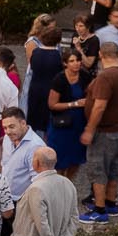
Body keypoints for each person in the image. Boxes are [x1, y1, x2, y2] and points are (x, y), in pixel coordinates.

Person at [79, 41, 118, 222]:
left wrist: (89, 130)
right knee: (113, 167)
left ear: (100, 55)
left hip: (104, 132)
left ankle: (99, 210)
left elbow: (99, 107)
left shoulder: (105, 78)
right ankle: (111, 203)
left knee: (98, 168)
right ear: (117, 55)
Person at [0, 107, 45, 236]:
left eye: (12, 127)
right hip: (5, 199)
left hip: (22, 203)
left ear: (24, 123)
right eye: (5, 128)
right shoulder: (8, 140)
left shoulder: (35, 147)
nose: (8, 132)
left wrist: (28, 207)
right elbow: (4, 166)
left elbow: (37, 180)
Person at [43, 49, 90, 177]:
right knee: (58, 160)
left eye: (78, 60)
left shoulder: (85, 76)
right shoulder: (59, 79)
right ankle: (58, 186)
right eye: (72, 61)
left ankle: (68, 184)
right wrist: (74, 104)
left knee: (75, 159)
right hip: (61, 124)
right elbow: (52, 105)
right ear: (65, 63)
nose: (76, 63)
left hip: (79, 123)